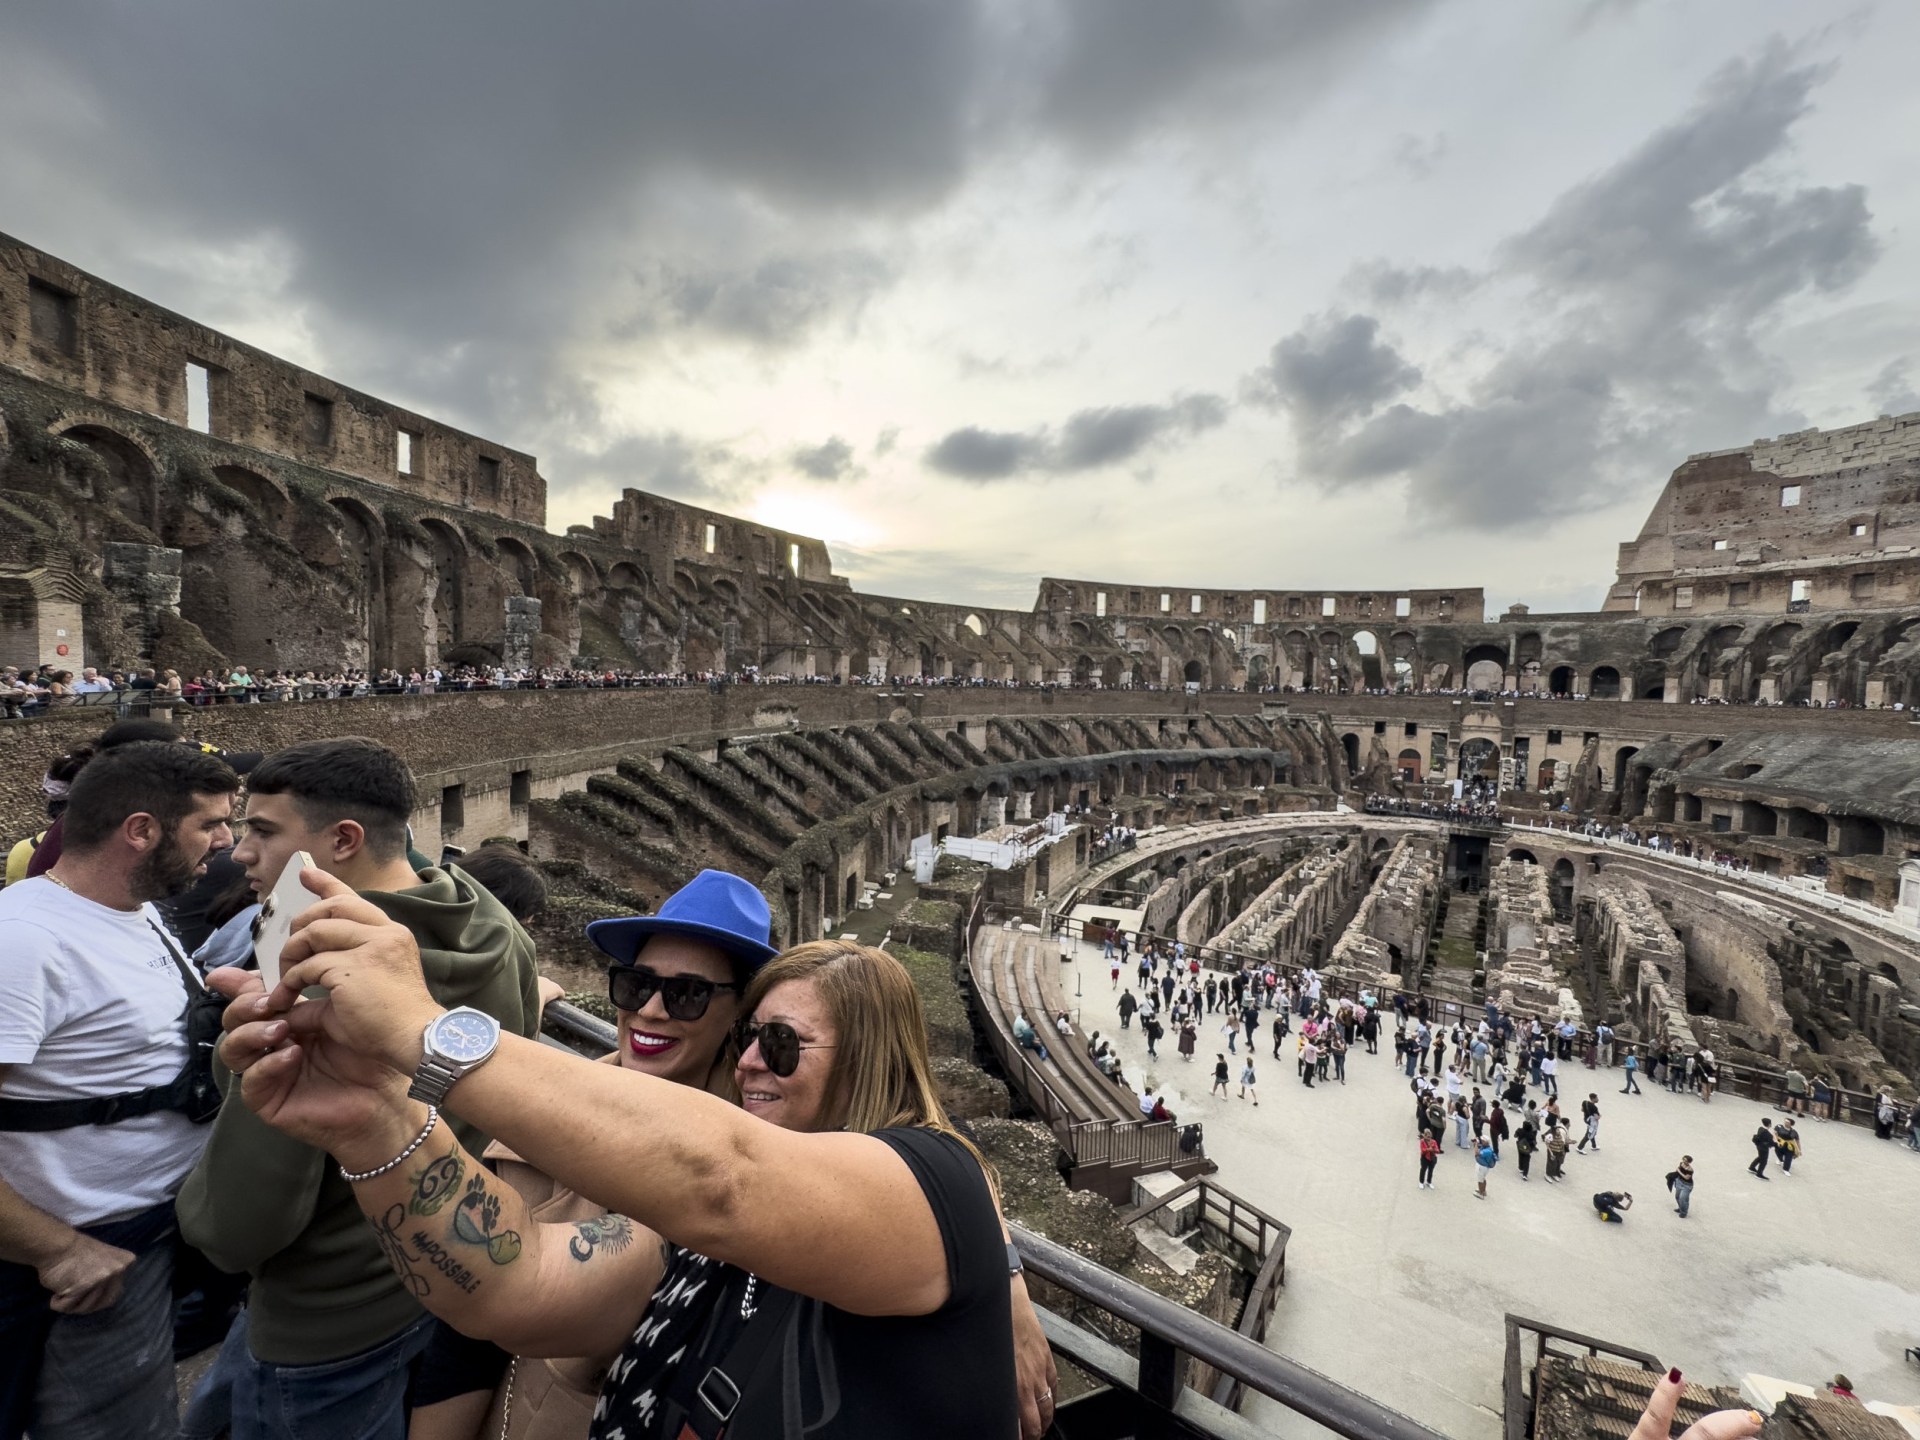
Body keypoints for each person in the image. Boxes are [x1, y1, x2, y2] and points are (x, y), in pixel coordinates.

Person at [217, 916, 1022, 1438]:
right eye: (745, 1038)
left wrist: (424, 1033)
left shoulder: (934, 1185)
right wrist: (374, 1119)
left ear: (867, 1062)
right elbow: (517, 1284)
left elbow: (726, 1176)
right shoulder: (696, 1248)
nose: (746, 1064)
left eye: (780, 1045)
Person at [176, 739, 544, 1440]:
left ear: (343, 839)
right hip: (429, 1269)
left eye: (262, 831)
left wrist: (234, 1063)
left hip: (322, 1310)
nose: (239, 854)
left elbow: (237, 1229)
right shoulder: (496, 927)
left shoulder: (319, 980)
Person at [0, 741, 240, 1440]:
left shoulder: (132, 910)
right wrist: (55, 1250)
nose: (226, 842)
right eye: (211, 824)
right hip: (84, 1258)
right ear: (141, 830)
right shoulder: (26, 940)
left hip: (147, 1238)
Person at [1515, 1115, 1538, 1181]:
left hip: (1519, 1145)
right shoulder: (1531, 1134)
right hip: (1528, 1148)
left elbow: (1515, 1135)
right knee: (1527, 1160)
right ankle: (1525, 1174)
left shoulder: (1519, 1130)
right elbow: (1534, 1142)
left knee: (1520, 1156)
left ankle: (1520, 1167)